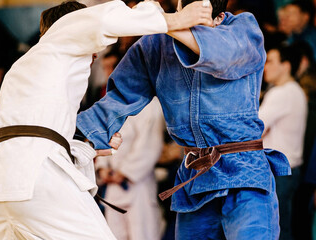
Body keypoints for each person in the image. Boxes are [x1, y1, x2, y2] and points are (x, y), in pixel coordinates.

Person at [0, 0, 215, 239]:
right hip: (34, 178)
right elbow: (103, 19)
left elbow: (32, 135)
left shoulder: (25, 69)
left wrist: (88, 148)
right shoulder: (62, 36)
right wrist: (173, 19)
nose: (96, 52)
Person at [76, 0, 291, 239]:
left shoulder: (243, 28)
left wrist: (162, 21)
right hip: (195, 181)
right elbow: (119, 97)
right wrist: (72, 138)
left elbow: (220, 55)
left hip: (245, 174)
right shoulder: (154, 44)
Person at [96, 97, 165, 240]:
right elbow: (103, 138)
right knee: (113, 234)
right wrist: (102, 168)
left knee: (141, 234)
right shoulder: (111, 103)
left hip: (138, 184)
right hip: (112, 184)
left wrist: (125, 172)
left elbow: (149, 145)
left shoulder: (150, 104)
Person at [259, 44, 307, 240]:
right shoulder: (295, 91)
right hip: (288, 171)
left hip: (279, 172)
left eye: (270, 61)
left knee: (275, 229)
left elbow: (254, 129)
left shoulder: (282, 93)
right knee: (281, 226)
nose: (265, 67)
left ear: (286, 66)